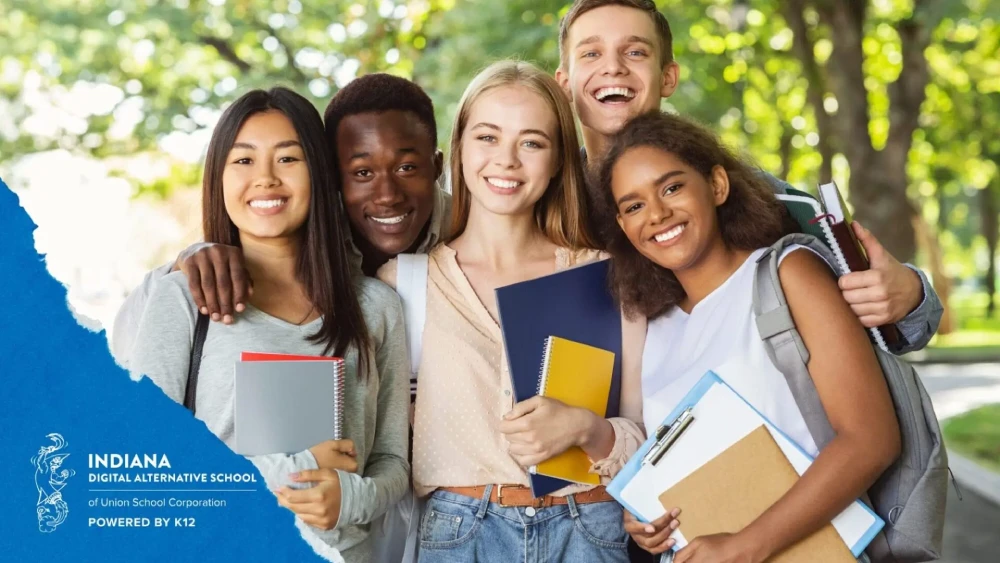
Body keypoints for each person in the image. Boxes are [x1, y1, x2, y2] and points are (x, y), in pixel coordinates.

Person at [375, 60, 650, 562]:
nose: (506, 160)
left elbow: (650, 434)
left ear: (558, 160)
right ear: (457, 149)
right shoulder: (403, 285)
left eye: (531, 142)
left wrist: (588, 430)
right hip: (458, 535)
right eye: (487, 137)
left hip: (588, 529)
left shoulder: (606, 277)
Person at [553, 0, 943, 354]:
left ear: (668, 77)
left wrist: (908, 296)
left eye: (635, 51)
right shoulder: (543, 207)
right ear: (564, 82)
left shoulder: (764, 200)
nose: (613, 66)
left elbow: (890, 326)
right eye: (590, 53)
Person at [121, 87, 410, 562]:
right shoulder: (182, 299)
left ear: (319, 173)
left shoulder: (377, 307)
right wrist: (300, 467)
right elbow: (150, 469)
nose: (266, 179)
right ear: (218, 177)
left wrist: (350, 497)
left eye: (288, 159)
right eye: (244, 161)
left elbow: (393, 461)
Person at [600, 111, 900, 562]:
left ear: (717, 185)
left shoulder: (787, 272)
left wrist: (746, 547)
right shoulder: (655, 327)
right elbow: (671, 459)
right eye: (634, 205)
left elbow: (871, 440)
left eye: (672, 187)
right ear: (624, 226)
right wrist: (645, 519)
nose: (658, 214)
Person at [111, 74, 450, 365]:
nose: (387, 195)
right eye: (361, 172)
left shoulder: (470, 232)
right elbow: (130, 351)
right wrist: (183, 264)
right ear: (331, 176)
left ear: (436, 166)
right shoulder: (285, 238)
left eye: (406, 168)